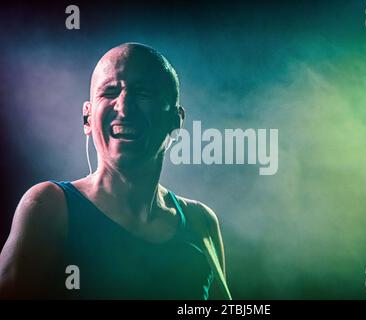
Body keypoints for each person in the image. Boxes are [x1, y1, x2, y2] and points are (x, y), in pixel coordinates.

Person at [0, 43, 232, 300]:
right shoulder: (48, 206)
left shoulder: (201, 222)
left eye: (144, 93)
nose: (124, 108)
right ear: (87, 118)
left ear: (176, 120)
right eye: (110, 91)